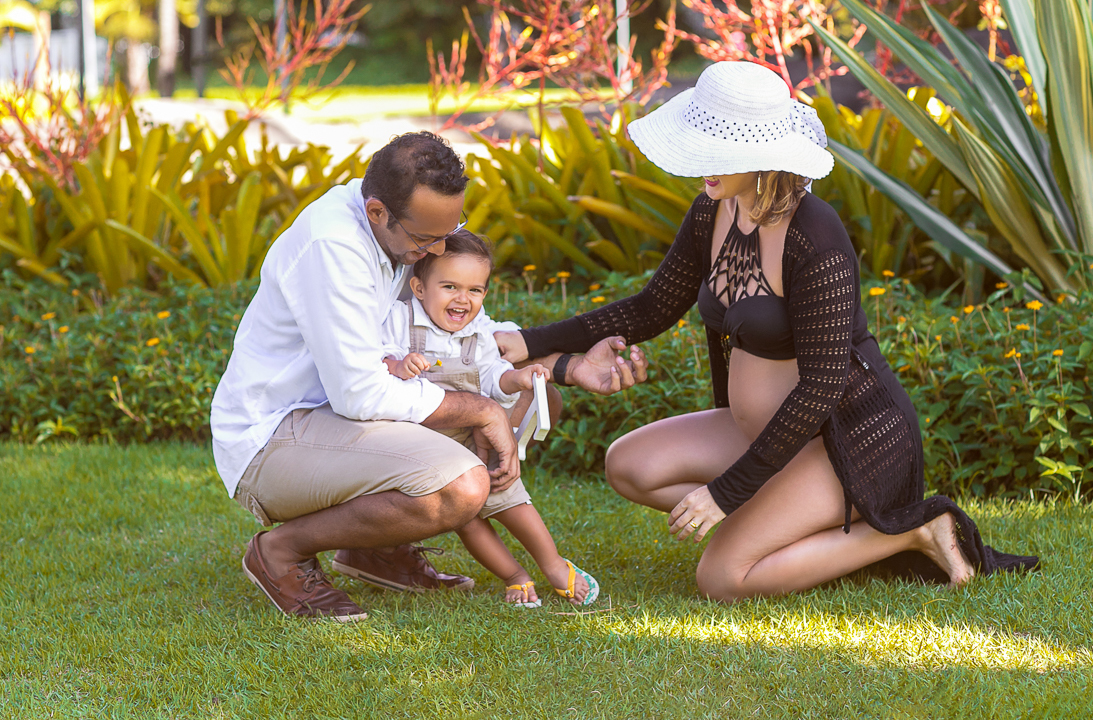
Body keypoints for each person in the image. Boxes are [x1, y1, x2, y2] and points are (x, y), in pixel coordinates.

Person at [496, 62, 1038, 600]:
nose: (703, 164)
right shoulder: (716, 208)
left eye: (717, 150)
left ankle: (914, 529)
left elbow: (823, 384)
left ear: (759, 155)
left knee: (723, 578)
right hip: (757, 433)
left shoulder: (814, 236)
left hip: (841, 443)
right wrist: (531, 341)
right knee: (629, 466)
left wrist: (727, 494)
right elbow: (653, 307)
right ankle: (784, 517)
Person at [211, 131, 642, 621]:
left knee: (535, 402)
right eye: (425, 239)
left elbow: (460, 332)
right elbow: (360, 394)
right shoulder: (334, 247)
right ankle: (281, 552)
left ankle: (375, 548)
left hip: (339, 422)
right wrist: (478, 410)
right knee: (460, 485)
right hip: (274, 437)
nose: (438, 247)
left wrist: (566, 364)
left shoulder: (398, 223)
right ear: (377, 213)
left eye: (451, 228)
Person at [381, 230, 600, 608]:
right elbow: (375, 360)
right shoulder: (400, 320)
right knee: (465, 515)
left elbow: (492, 378)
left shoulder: (479, 332)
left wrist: (519, 377)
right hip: (424, 443)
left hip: (471, 436)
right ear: (419, 287)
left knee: (509, 496)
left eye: (475, 290)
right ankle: (514, 575)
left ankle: (552, 564)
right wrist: (399, 364)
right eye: (449, 286)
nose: (462, 299)